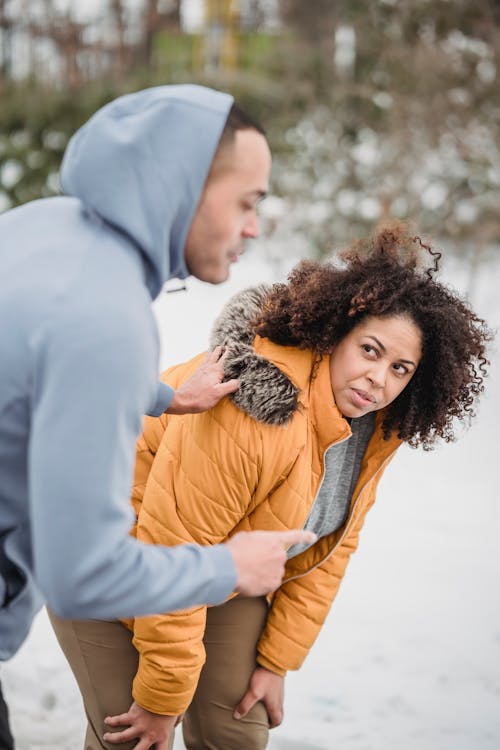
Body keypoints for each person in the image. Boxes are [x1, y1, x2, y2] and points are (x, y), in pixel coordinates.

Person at [49, 224, 492, 750]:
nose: (379, 378)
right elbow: (172, 541)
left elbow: (329, 545)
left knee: (235, 729)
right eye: (370, 351)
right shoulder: (260, 408)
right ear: (334, 337)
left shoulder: (373, 430)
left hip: (217, 566)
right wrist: (162, 699)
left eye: (400, 368)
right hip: (105, 549)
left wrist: (275, 661)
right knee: (135, 736)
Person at [0, 84, 315, 747]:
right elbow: (83, 575)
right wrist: (229, 568)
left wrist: (166, 397)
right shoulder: (108, 318)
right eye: (248, 203)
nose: (255, 228)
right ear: (185, 185)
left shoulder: (47, 225)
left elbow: (34, 362)